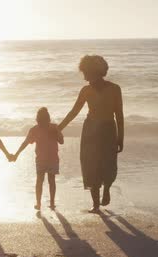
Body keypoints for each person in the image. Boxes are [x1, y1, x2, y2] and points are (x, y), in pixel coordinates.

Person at [57, 55, 124, 213]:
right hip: (90, 131)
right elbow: (74, 112)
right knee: (90, 164)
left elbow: (119, 115)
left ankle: (106, 188)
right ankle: (95, 204)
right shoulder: (86, 90)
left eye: (85, 72)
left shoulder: (115, 88)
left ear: (93, 71)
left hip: (107, 130)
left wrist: (121, 137)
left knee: (108, 163)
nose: (84, 76)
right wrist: (59, 128)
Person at [11, 107, 63, 210]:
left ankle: (42, 203)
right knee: (47, 181)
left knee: (44, 181)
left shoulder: (50, 128)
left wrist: (16, 154)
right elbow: (25, 143)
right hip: (45, 159)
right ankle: (46, 203)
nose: (41, 122)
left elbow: (61, 141)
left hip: (48, 159)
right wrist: (16, 154)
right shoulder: (38, 129)